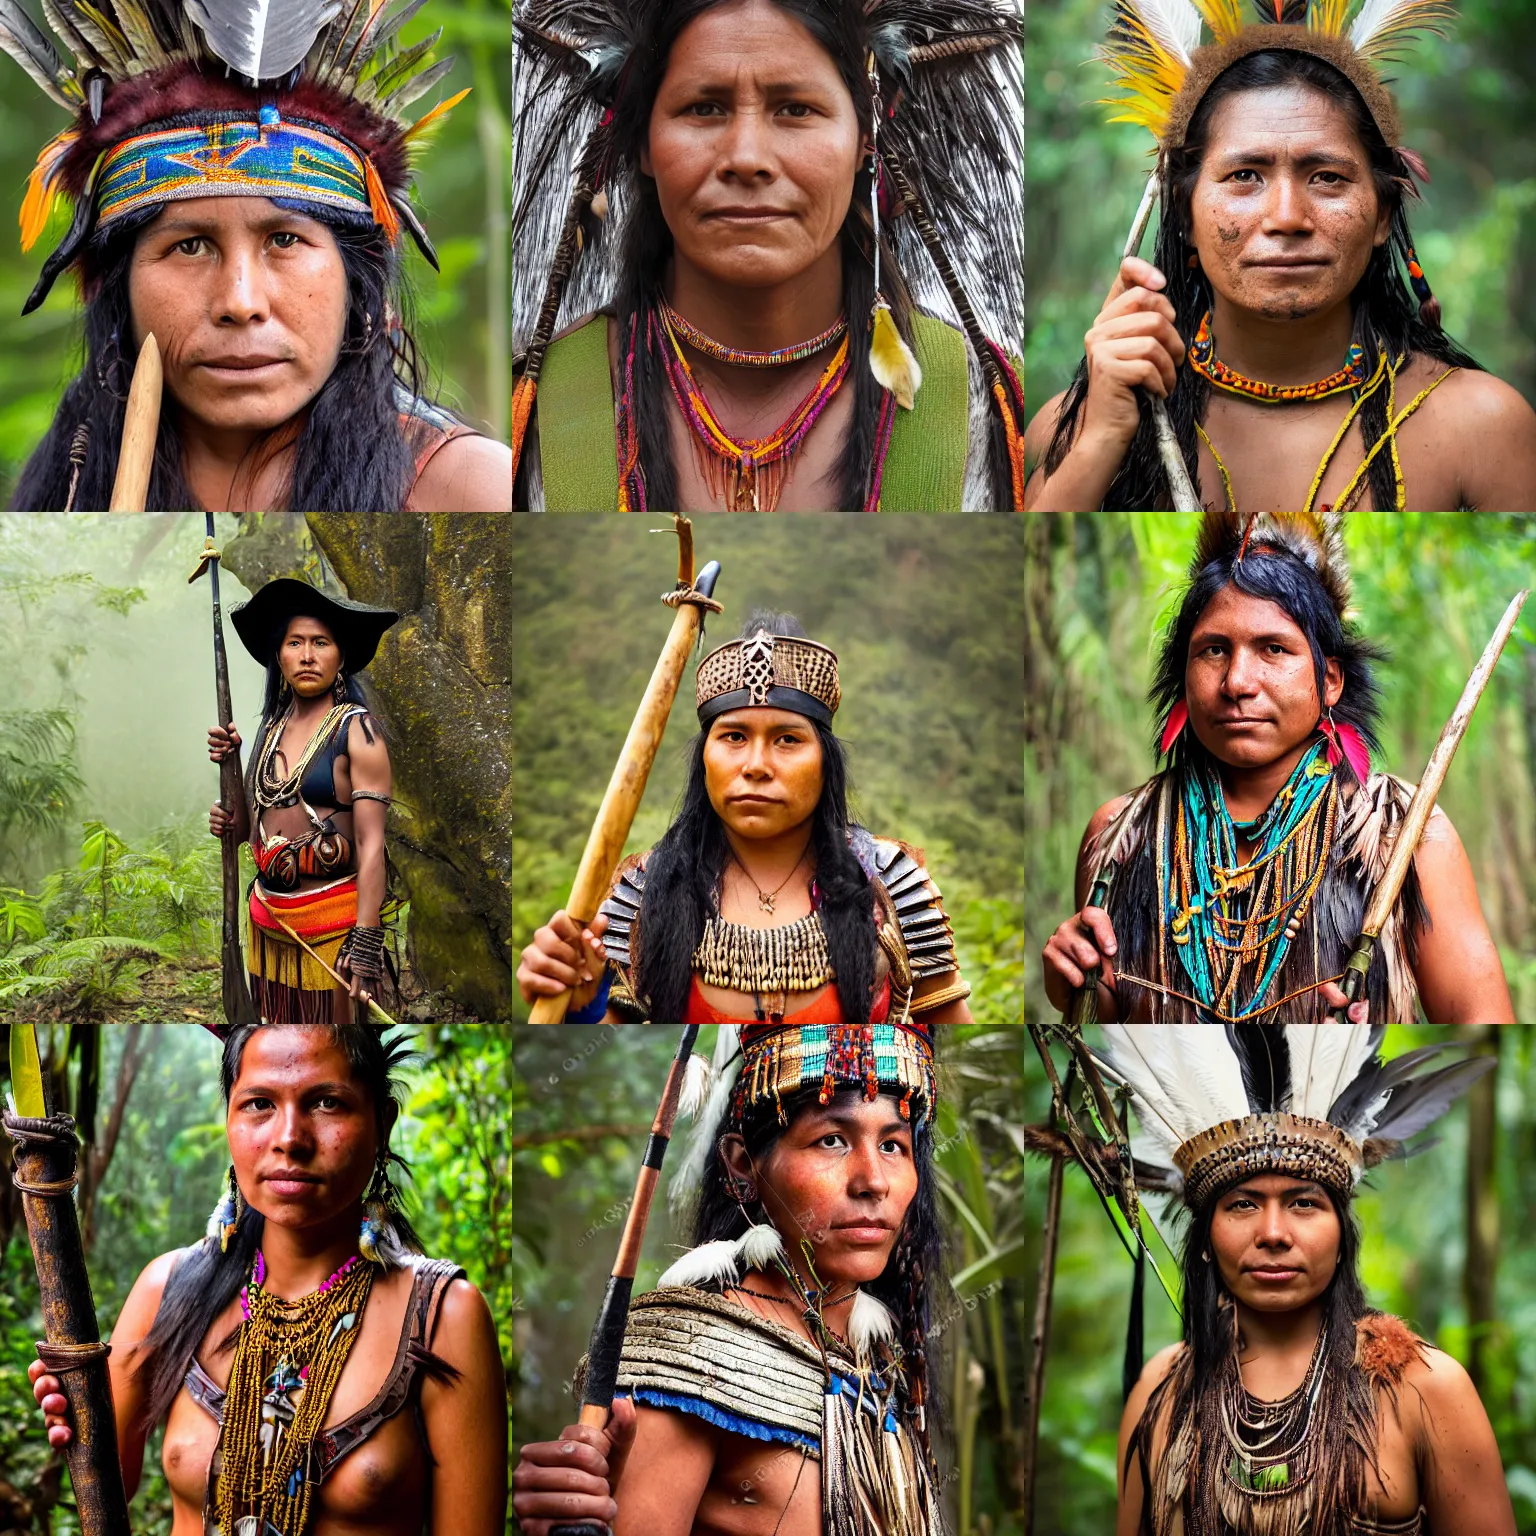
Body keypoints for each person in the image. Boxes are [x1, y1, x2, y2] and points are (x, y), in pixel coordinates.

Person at [511, 0, 1025, 512]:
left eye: (796, 109)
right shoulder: (539, 409)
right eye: (704, 108)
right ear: (644, 140)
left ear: (866, 135)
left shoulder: (984, 405)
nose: (747, 158)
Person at [1, 0, 512, 511]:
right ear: (119, 286)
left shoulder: (470, 492)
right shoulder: (68, 488)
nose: (240, 302)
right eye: (190, 245)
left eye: (284, 240)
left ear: (359, 280)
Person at [1025, 7, 1536, 512]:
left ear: (1382, 216)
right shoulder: (1070, 429)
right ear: (1184, 213)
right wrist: (1100, 441)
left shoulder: (1482, 428)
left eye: (1328, 177)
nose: (1287, 217)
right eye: (1245, 175)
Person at [29, 1021, 507, 1536]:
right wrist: (74, 1415)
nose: (289, 1139)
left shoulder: (442, 1317)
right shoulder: (165, 1290)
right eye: (259, 1103)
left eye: (326, 1102)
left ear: (381, 1122)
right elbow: (102, 1493)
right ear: (229, 1118)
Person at [1040, 511, 1514, 1023]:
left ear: (1329, 679)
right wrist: (1080, 984)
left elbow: (1481, 1034)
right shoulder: (1121, 834)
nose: (1238, 681)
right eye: (1214, 649)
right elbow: (1118, 1035)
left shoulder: (1408, 835)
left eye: (1273, 649)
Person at [513, 1021, 946, 1536]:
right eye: (832, 1140)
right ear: (743, 1166)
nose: (873, 1181)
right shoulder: (688, 1354)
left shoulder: (882, 1368)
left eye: (894, 1146)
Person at [1090, 1023, 1515, 1536]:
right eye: (1243, 1204)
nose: (1273, 1233)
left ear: (1342, 1239)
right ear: (1205, 1238)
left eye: (1303, 1204)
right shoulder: (1160, 1391)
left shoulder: (1423, 1388)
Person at [517, 611, 974, 1022]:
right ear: (704, 760)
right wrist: (578, 1004)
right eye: (733, 736)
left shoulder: (891, 883)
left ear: (825, 763)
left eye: (788, 740)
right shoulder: (642, 892)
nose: (755, 764)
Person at [209, 579, 400, 1024]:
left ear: (341, 655)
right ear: (279, 655)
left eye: (321, 643)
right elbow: (250, 834)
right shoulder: (269, 729)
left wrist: (366, 940)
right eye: (295, 643)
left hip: (332, 934)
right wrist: (231, 780)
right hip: (268, 929)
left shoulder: (358, 731)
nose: (308, 655)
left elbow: (372, 844)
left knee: (330, 1044)